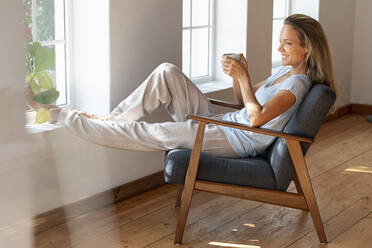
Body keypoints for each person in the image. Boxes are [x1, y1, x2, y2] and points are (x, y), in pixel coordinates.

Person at [28, 14, 337, 158]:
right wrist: (238, 76)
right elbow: (247, 105)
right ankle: (112, 119)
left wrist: (243, 78)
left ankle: (59, 115)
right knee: (167, 72)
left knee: (150, 132)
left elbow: (256, 120)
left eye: (287, 43)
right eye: (279, 41)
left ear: (307, 48)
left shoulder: (297, 84)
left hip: (235, 140)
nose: (280, 48)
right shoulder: (283, 75)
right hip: (226, 124)